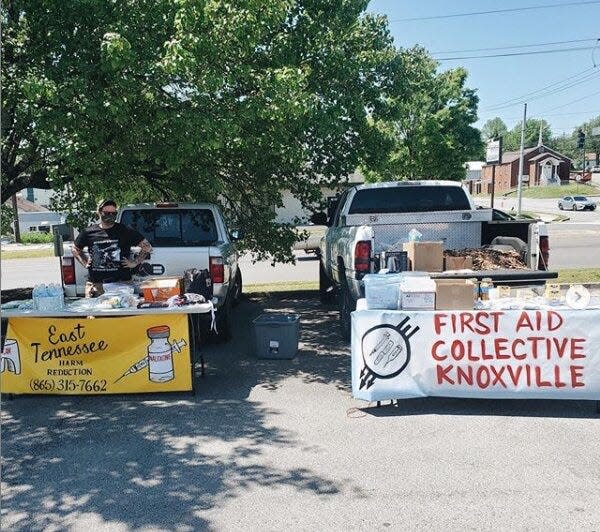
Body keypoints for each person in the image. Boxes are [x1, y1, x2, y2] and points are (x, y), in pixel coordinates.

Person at [72, 199, 153, 297]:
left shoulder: (125, 230)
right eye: (107, 213)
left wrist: (134, 263)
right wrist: (84, 261)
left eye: (113, 213)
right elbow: (75, 248)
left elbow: (147, 247)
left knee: (123, 312)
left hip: (122, 284)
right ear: (99, 212)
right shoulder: (88, 232)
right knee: (95, 312)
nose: (110, 216)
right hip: (97, 285)